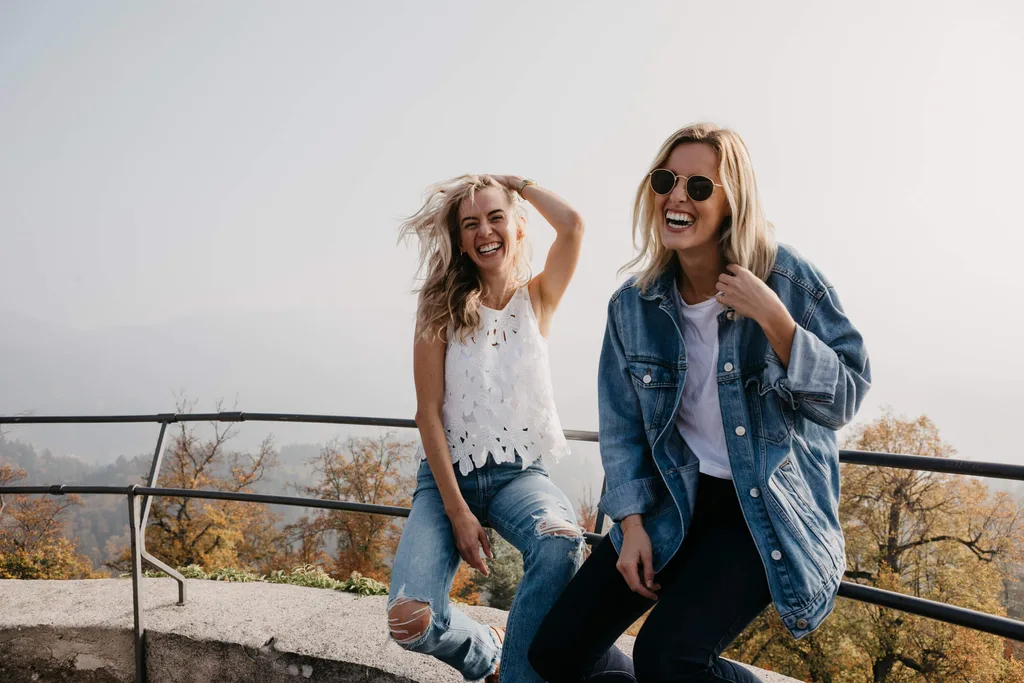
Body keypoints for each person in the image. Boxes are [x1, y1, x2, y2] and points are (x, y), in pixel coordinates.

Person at [529, 123, 871, 682]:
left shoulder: (786, 278)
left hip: (761, 510)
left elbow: (845, 396)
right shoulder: (633, 306)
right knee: (557, 652)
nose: (677, 196)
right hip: (674, 503)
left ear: (732, 202)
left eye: (699, 186)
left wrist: (775, 321)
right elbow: (621, 429)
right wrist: (632, 523)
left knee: (666, 656)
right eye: (667, 180)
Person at [387, 174, 597, 682]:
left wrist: (516, 184)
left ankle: (518, 677)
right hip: (447, 482)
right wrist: (458, 512)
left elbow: (571, 226)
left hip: (519, 477)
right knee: (409, 622)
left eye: (495, 217)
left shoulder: (539, 299)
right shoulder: (438, 305)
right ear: (460, 239)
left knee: (563, 541)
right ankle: (486, 650)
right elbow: (427, 412)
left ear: (518, 227)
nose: (485, 231)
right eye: (471, 223)